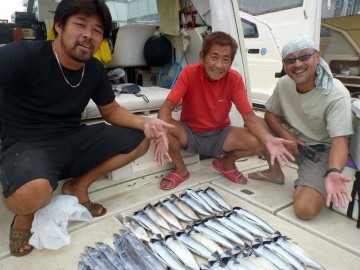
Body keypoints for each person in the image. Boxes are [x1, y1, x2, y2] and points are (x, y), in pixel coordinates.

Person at [0, 0, 172, 257]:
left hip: (71, 139)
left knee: (139, 139)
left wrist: (147, 122)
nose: (88, 35)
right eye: (80, 24)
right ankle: (24, 217)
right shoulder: (24, 55)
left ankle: (78, 187)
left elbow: (111, 110)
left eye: (97, 30)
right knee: (31, 194)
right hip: (26, 144)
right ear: (59, 26)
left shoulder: (93, 69)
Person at [156, 31, 294, 190]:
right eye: (214, 57)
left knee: (259, 140)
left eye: (225, 59)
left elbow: (249, 116)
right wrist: (160, 132)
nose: (219, 65)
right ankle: (180, 169)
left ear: (231, 62)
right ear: (202, 57)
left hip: (220, 135)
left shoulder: (234, 79)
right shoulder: (189, 73)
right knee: (159, 126)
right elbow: (167, 106)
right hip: (189, 133)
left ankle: (226, 162)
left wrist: (269, 139)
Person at [248, 35, 353, 220]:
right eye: (290, 60)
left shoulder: (336, 94)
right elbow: (270, 115)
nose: (297, 64)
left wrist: (334, 171)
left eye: (304, 57)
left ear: (317, 57)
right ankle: (275, 173)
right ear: (284, 64)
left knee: (304, 211)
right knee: (253, 125)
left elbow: (339, 142)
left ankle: (312, 179)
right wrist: (287, 135)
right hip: (293, 142)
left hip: (320, 151)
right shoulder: (283, 84)